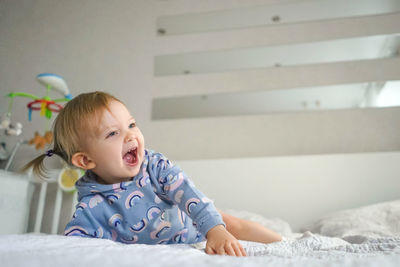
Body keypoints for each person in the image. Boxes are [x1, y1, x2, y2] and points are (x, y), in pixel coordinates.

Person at [23, 91, 281, 257]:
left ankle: (284, 240)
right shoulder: (91, 204)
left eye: (132, 125)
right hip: (159, 244)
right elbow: (74, 247)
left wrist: (215, 230)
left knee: (230, 224)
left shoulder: (154, 165)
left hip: (193, 224)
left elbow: (191, 196)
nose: (131, 135)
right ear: (86, 160)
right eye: (113, 133)